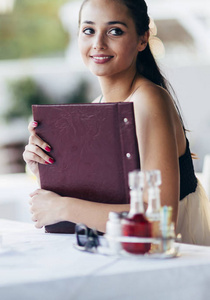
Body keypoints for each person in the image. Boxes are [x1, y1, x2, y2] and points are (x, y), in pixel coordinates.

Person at [22, 0, 210, 246]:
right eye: (88, 30)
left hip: (170, 254)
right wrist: (45, 169)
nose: (98, 43)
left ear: (143, 39)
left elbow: (160, 222)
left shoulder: (148, 100)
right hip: (124, 250)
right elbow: (103, 197)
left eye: (115, 31)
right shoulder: (95, 108)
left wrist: (64, 208)